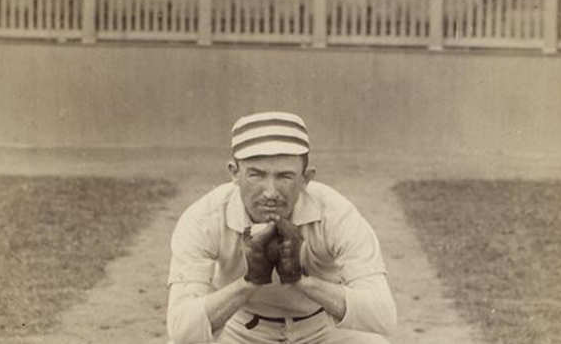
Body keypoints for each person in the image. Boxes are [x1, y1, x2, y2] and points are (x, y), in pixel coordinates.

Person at [167, 111, 396, 344]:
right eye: (256, 175)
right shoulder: (204, 218)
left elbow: (383, 317)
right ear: (234, 173)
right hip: (241, 330)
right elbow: (180, 330)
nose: (270, 192)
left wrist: (300, 280)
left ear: (306, 178)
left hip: (323, 328)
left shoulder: (335, 213)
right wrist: (249, 282)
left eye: (285, 176)